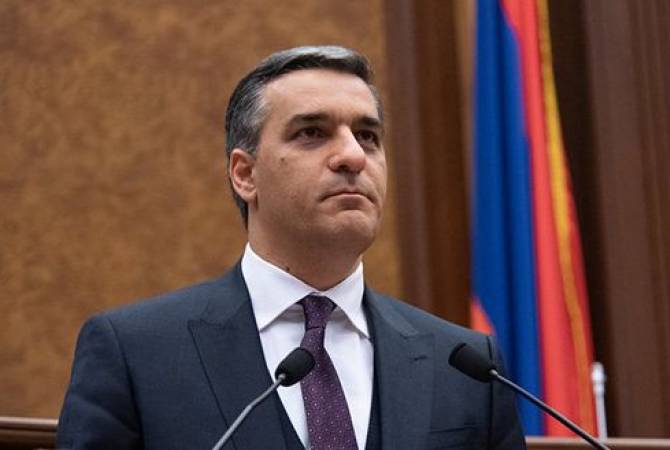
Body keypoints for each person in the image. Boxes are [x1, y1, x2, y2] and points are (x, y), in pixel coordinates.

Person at [57, 46, 525, 450]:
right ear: (245, 174)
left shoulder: (466, 365)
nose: (353, 156)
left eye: (367, 136)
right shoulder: (137, 353)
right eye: (312, 133)